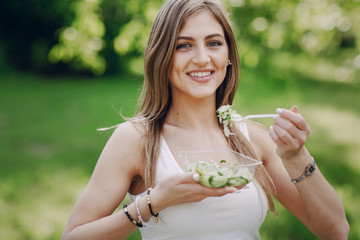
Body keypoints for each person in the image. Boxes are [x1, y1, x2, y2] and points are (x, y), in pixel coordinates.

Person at [61, 0, 349, 239]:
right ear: (162, 56)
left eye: (213, 43)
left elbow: (335, 231)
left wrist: (297, 155)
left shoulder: (254, 138)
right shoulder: (137, 139)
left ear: (228, 56)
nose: (202, 58)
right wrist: (155, 201)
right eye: (183, 46)